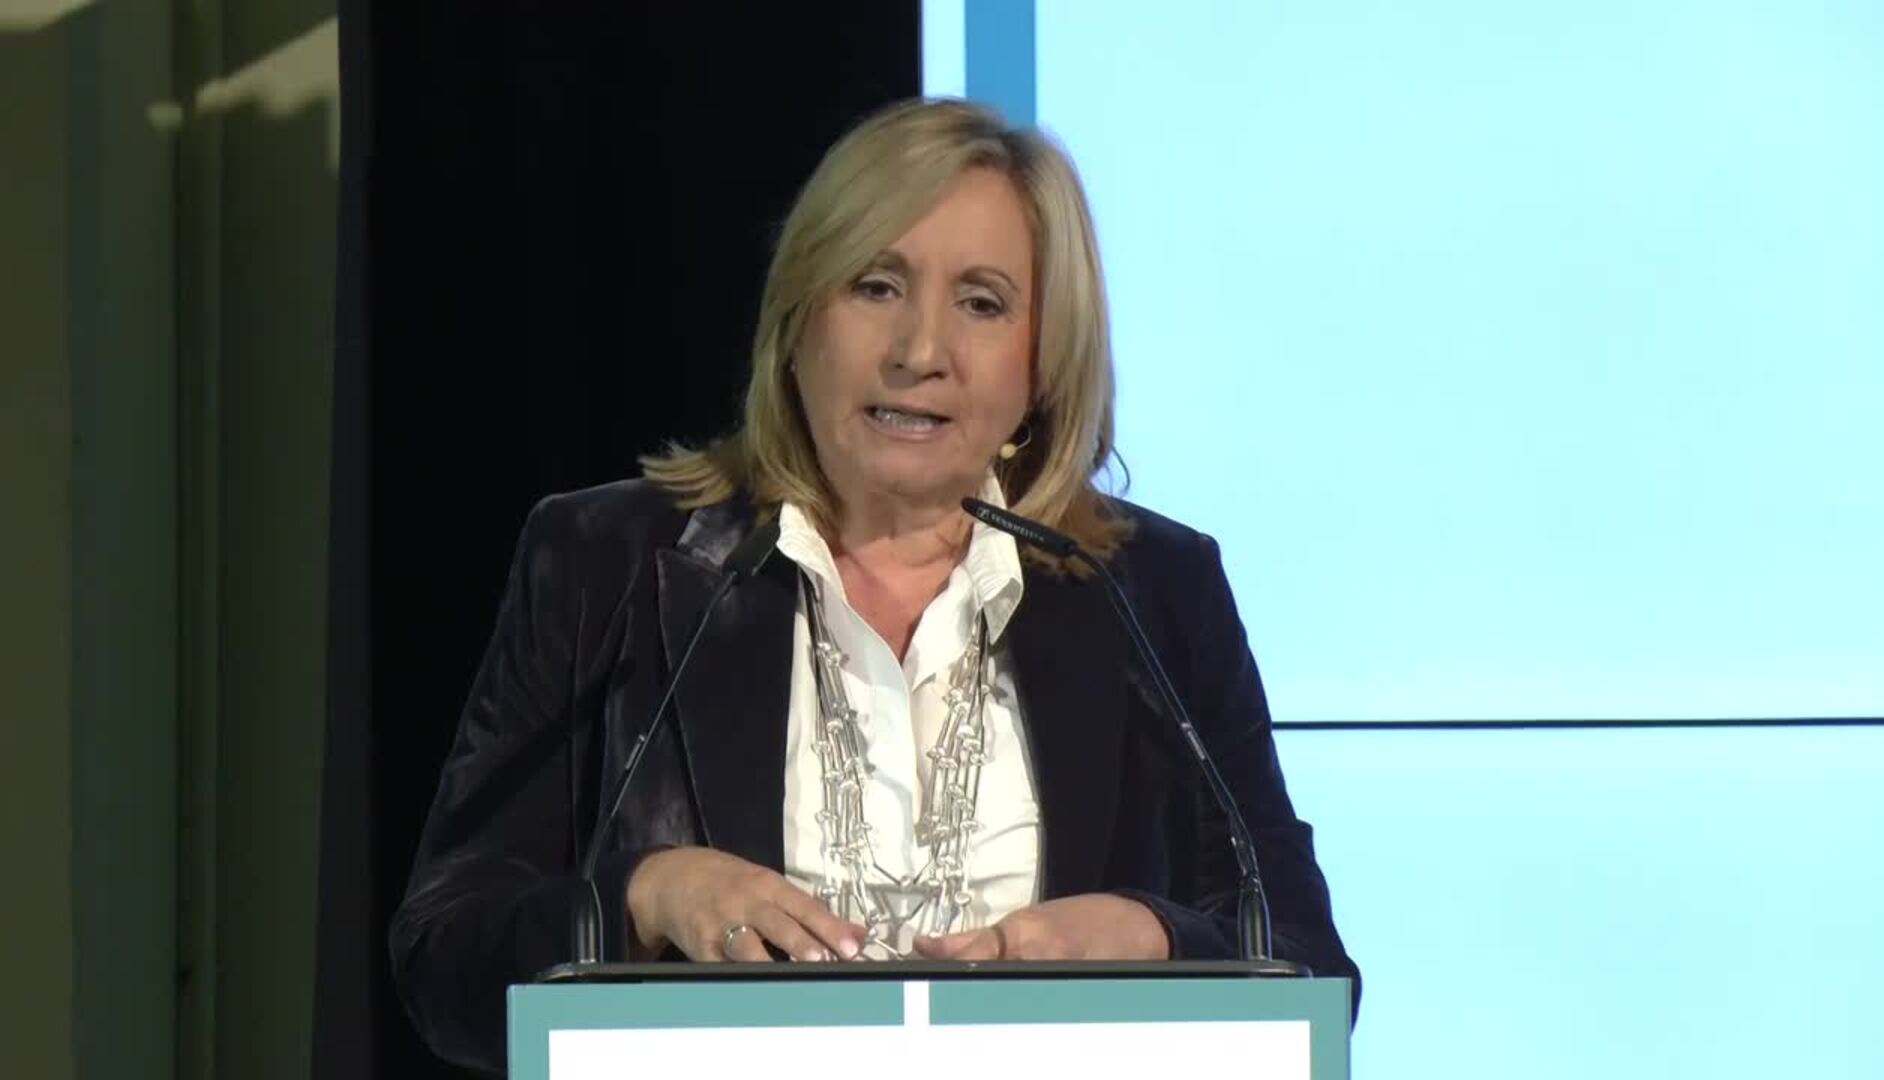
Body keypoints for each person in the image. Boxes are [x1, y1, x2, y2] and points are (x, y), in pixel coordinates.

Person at [390, 97, 1358, 1074]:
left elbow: (1307, 967)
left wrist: (1150, 937)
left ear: (1044, 359)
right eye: (876, 286)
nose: (918, 353)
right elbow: (444, 954)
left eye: (982, 303)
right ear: (798, 319)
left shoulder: (1152, 592)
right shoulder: (606, 561)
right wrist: (644, 895)